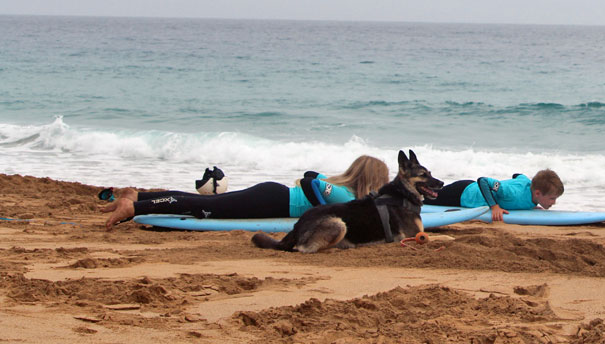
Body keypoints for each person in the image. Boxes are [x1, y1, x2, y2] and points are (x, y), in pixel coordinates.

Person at [101, 155, 389, 230]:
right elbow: (311, 183)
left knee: (206, 202)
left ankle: (137, 196)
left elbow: (313, 175)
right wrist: (318, 208)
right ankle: (134, 209)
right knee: (202, 208)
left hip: (272, 195)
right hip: (272, 200)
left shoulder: (338, 186)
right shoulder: (346, 197)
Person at [426, 169, 564, 222]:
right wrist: (495, 206)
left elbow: (518, 175)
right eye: (552, 198)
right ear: (538, 193)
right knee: (424, 200)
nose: (554, 202)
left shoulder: (530, 186)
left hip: (467, 189)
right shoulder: (511, 193)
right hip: (462, 194)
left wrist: (530, 205)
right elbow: (483, 181)